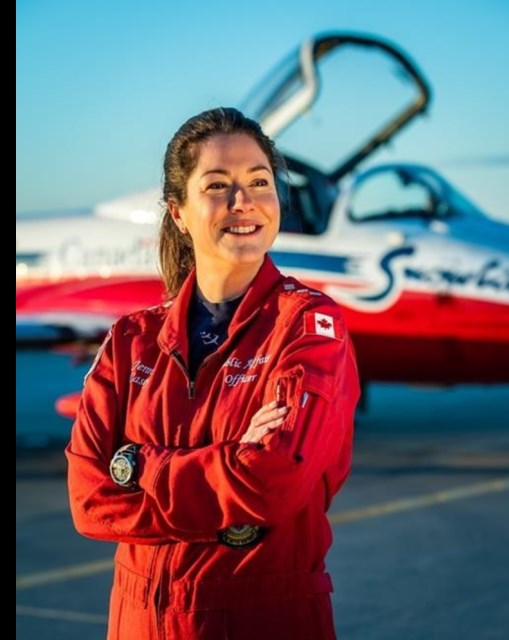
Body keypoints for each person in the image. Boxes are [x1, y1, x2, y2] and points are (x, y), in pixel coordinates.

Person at [66, 106, 360, 640]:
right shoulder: (131, 339)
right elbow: (89, 501)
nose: (242, 201)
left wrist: (137, 464)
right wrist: (228, 472)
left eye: (259, 182)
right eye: (218, 185)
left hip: (264, 618)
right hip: (138, 621)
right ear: (178, 212)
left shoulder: (310, 329)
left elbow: (272, 484)